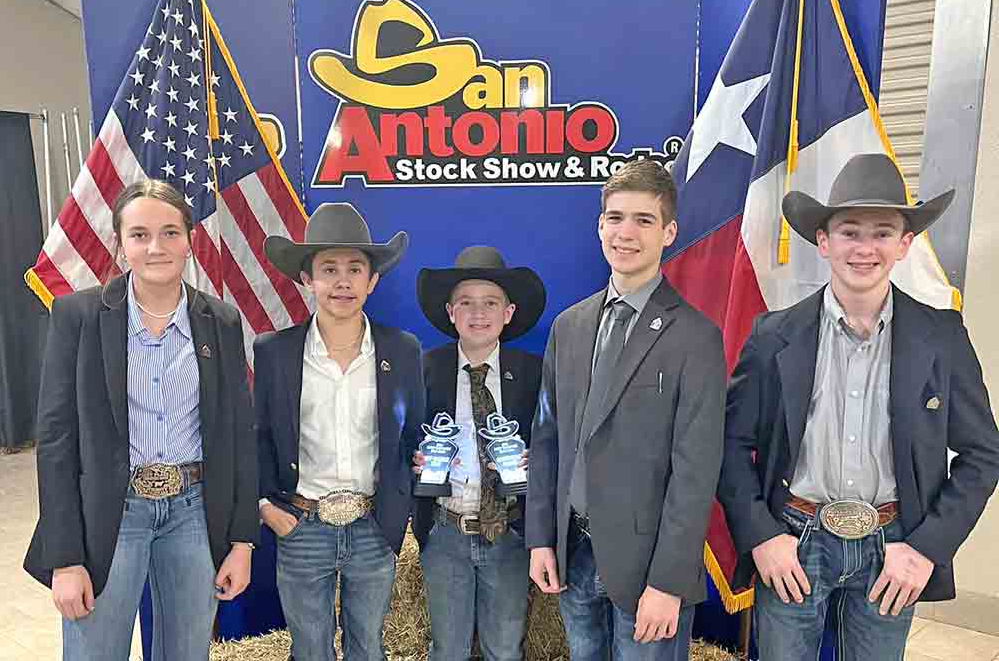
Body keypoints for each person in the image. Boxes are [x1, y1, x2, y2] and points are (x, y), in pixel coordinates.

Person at [717, 153, 999, 659]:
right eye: (849, 231)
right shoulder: (773, 336)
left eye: (882, 232)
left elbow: (984, 453)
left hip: (893, 547)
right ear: (823, 241)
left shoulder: (942, 336)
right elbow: (731, 445)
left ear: (904, 243)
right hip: (794, 540)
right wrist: (761, 536)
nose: (864, 248)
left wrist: (927, 547)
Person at [23, 179, 257, 661]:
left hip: (193, 512)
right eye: (140, 234)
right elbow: (56, 441)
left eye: (171, 232)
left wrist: (242, 540)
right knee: (96, 651)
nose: (156, 247)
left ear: (191, 240)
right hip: (112, 512)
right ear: (120, 242)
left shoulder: (222, 321)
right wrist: (66, 558)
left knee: (187, 651)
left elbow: (237, 436)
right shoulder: (79, 316)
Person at [525, 159, 727, 661]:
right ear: (600, 226)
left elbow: (695, 472)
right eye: (615, 218)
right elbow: (547, 439)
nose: (626, 232)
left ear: (669, 232)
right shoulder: (568, 327)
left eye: (644, 220)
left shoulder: (695, 337)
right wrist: (542, 540)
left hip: (647, 572)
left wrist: (669, 581)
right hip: (574, 555)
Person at [254, 202, 424, 661]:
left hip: (372, 526)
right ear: (307, 280)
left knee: (367, 645)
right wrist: (268, 508)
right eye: (328, 269)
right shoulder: (274, 353)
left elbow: (412, 437)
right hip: (302, 525)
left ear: (373, 281)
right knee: (309, 648)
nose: (342, 281)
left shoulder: (401, 350)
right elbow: (260, 438)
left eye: (355, 269)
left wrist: (400, 503)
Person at [411, 246, 545, 661]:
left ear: (509, 312)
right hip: (446, 528)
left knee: (504, 648)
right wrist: (412, 461)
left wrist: (534, 463)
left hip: (508, 531)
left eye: (490, 303)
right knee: (447, 648)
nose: (478, 313)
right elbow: (395, 437)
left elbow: (555, 441)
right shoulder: (424, 367)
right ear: (451, 313)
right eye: (466, 303)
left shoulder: (532, 372)